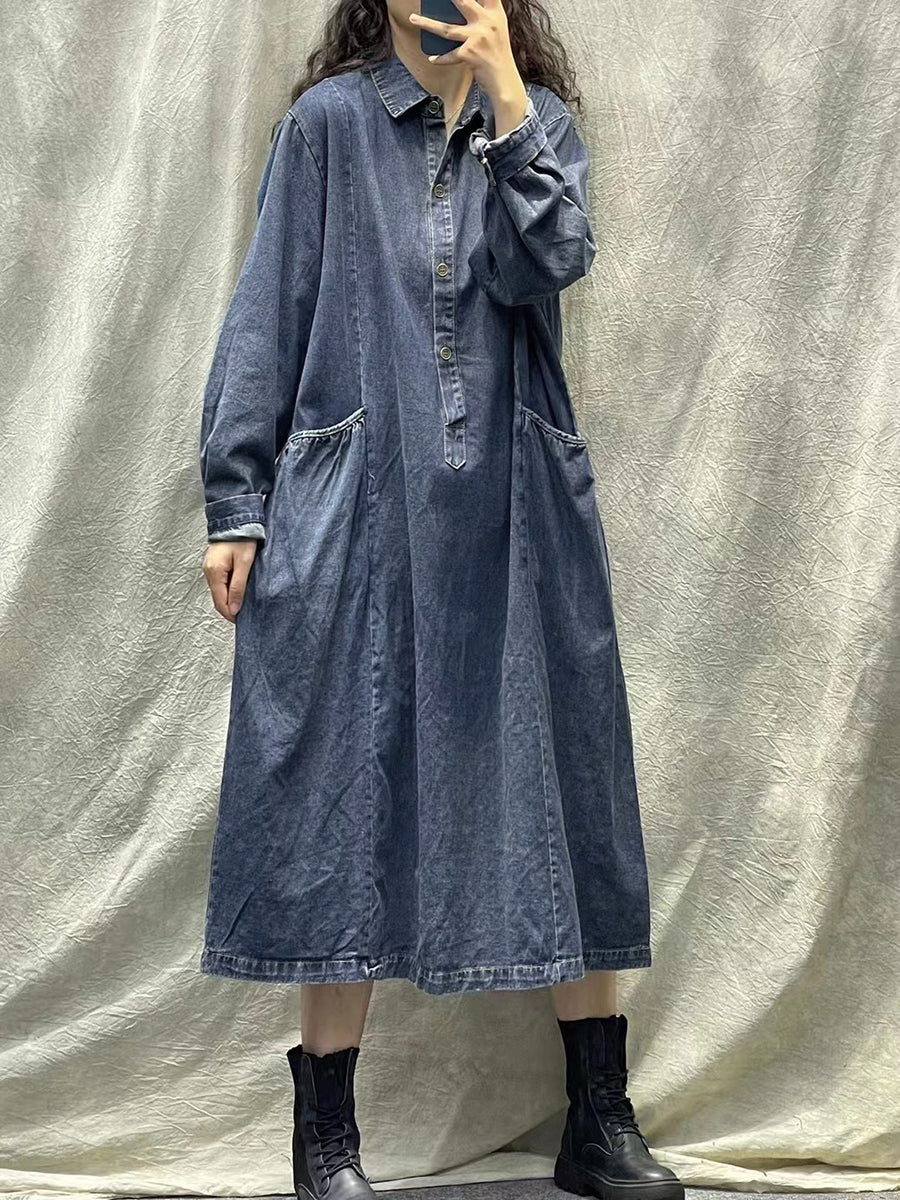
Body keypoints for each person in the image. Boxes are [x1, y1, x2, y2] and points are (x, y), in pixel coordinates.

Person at [198, 2, 684, 1199]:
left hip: (519, 508)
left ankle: (597, 1119)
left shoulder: (539, 121)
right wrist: (237, 499)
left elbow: (552, 260)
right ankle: (327, 1141)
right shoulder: (327, 126)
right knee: (337, 795)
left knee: (564, 780)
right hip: (360, 502)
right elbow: (270, 308)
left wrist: (510, 99)